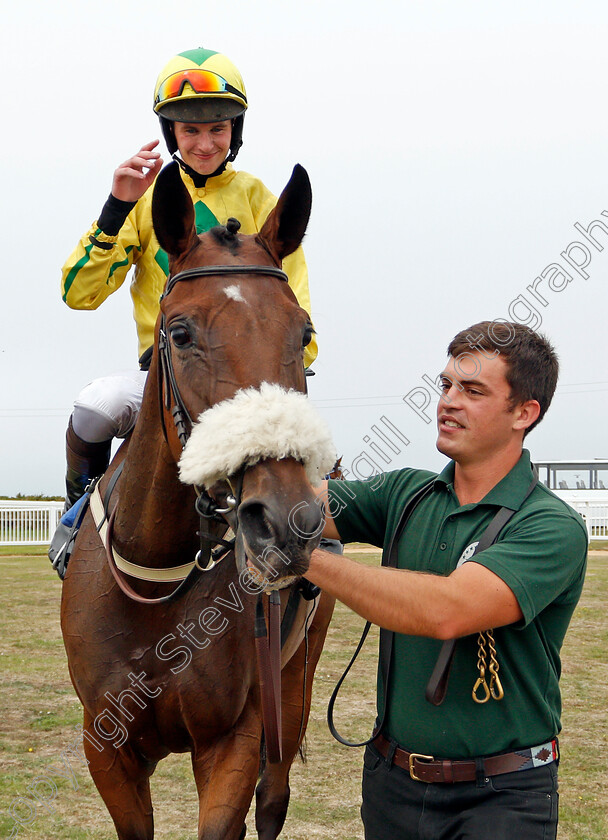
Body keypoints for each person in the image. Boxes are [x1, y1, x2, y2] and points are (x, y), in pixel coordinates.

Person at [303, 320, 587, 840]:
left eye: (473, 391)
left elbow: (448, 611)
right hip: (391, 785)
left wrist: (305, 560)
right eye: (446, 385)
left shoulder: (551, 525)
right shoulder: (405, 493)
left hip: (502, 798)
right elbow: (298, 505)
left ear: (525, 413)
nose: (448, 402)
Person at [60, 47, 317, 508]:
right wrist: (117, 207)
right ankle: (80, 514)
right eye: (190, 130)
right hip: (165, 375)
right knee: (97, 406)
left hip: (252, 380)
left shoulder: (260, 198)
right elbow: (80, 294)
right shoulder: (144, 200)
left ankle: (320, 551)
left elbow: (296, 310)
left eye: (217, 129)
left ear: (234, 132)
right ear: (171, 132)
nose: (204, 144)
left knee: (308, 466)